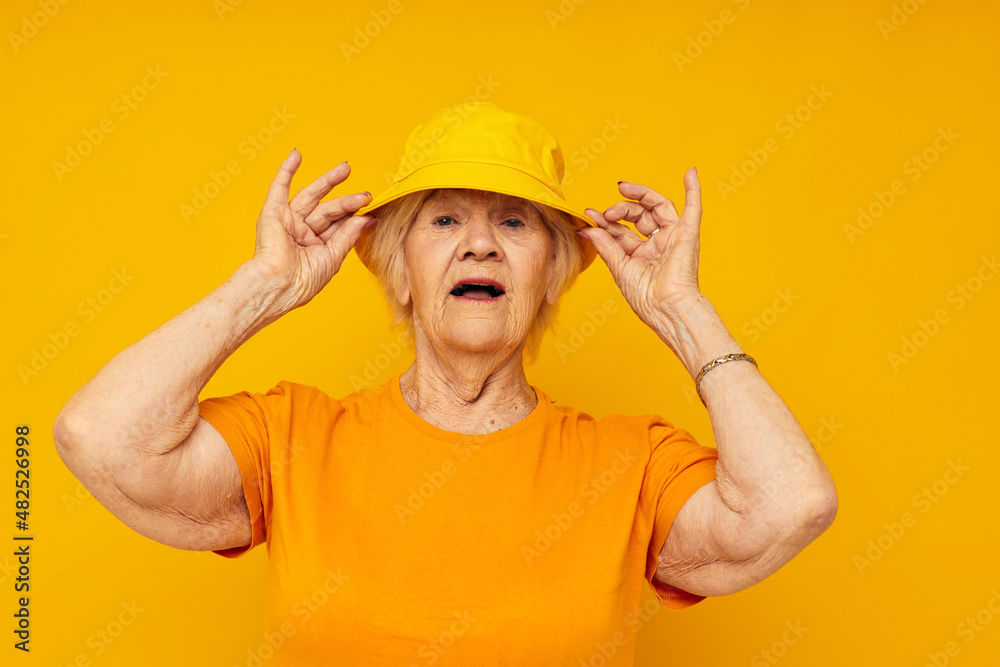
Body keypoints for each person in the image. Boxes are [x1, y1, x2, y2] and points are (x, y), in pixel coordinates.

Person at [53, 102, 837, 665]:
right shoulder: (293, 438)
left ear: (552, 272)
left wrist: (682, 311)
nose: (480, 246)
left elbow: (791, 504)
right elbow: (100, 437)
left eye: (515, 222)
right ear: (399, 268)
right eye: (444, 220)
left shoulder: (629, 463)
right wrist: (262, 287)